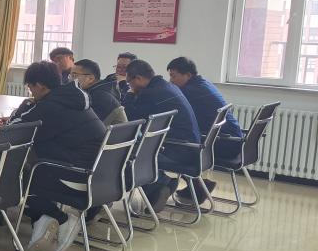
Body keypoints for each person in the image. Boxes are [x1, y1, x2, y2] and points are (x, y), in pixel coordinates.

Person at [6, 61, 106, 251]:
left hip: (76, 175)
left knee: (16, 180)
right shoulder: (72, 98)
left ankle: (61, 218)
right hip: (100, 174)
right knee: (32, 167)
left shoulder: (49, 106)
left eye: (30, 87)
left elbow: (12, 130)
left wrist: (24, 108)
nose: (30, 92)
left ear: (40, 85)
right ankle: (42, 222)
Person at [122, 59, 201, 211]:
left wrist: (130, 95)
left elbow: (130, 116)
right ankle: (164, 183)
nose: (130, 86)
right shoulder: (166, 86)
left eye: (129, 83)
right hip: (191, 147)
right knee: (140, 146)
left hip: (178, 150)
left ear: (138, 78)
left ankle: (158, 187)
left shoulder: (150, 93)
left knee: (127, 156)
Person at [166, 56, 243, 199]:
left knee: (174, 145)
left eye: (173, 76)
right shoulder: (203, 83)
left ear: (188, 75)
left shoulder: (191, 91)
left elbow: (171, 109)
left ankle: (193, 186)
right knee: (181, 140)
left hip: (225, 143)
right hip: (231, 140)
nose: (170, 81)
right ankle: (198, 185)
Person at [71, 59, 127, 126]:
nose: (70, 79)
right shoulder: (101, 89)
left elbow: (86, 125)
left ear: (90, 78)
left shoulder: (98, 96)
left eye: (74, 75)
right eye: (70, 75)